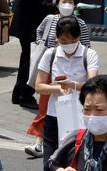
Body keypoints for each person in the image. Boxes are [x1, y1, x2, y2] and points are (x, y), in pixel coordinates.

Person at [29, 15, 99, 171]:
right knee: (50, 165)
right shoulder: (50, 54)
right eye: (62, 40)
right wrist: (57, 88)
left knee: (81, 167)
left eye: (70, 39)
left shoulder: (89, 54)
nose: (66, 44)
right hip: (54, 117)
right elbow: (39, 86)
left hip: (81, 119)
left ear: (78, 37)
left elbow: (94, 84)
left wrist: (75, 85)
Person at [24, 0, 90, 159]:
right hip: (49, 68)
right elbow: (39, 31)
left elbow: (87, 45)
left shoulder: (80, 23)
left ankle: (68, 144)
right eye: (63, 1)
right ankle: (40, 142)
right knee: (44, 107)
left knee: (70, 108)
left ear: (75, 5)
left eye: (70, 1)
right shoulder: (50, 19)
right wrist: (43, 45)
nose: (66, 4)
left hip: (72, 72)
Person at [10, 0, 53, 110]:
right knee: (32, 61)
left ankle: (18, 94)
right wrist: (55, 6)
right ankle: (26, 96)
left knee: (26, 59)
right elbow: (40, 5)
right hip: (29, 26)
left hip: (26, 24)